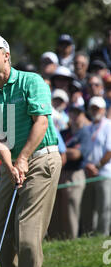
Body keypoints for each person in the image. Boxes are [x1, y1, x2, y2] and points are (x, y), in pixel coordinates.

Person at [0, 33, 62, 267]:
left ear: (6, 55)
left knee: (27, 229)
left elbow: (41, 123)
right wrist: (11, 166)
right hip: (12, 165)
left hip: (41, 159)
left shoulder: (31, 82)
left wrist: (22, 158)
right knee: (0, 232)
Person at [48, 105, 89, 239]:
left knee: (71, 209)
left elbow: (77, 154)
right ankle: (57, 239)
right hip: (61, 173)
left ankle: (72, 239)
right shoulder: (64, 132)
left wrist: (63, 151)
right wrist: (63, 151)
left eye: (78, 113)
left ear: (83, 115)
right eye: (72, 112)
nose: (75, 116)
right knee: (57, 210)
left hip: (75, 174)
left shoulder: (85, 132)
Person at [79, 97, 111, 236]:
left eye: (97, 108)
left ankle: (102, 235)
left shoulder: (109, 126)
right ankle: (87, 235)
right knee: (87, 206)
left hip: (104, 172)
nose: (95, 111)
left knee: (103, 207)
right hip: (88, 172)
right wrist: (88, 166)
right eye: (92, 108)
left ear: (104, 110)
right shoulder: (88, 128)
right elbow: (83, 151)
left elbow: (110, 150)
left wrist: (97, 166)